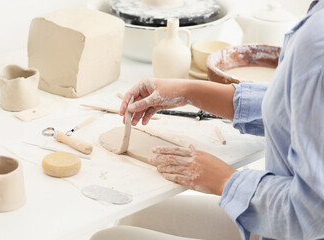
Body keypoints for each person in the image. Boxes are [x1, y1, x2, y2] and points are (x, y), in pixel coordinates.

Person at [91, 1, 324, 239]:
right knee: (136, 214)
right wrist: (191, 91)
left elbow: (311, 215)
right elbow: (298, 105)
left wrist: (225, 179)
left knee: (108, 237)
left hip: (299, 225)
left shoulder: (317, 44)